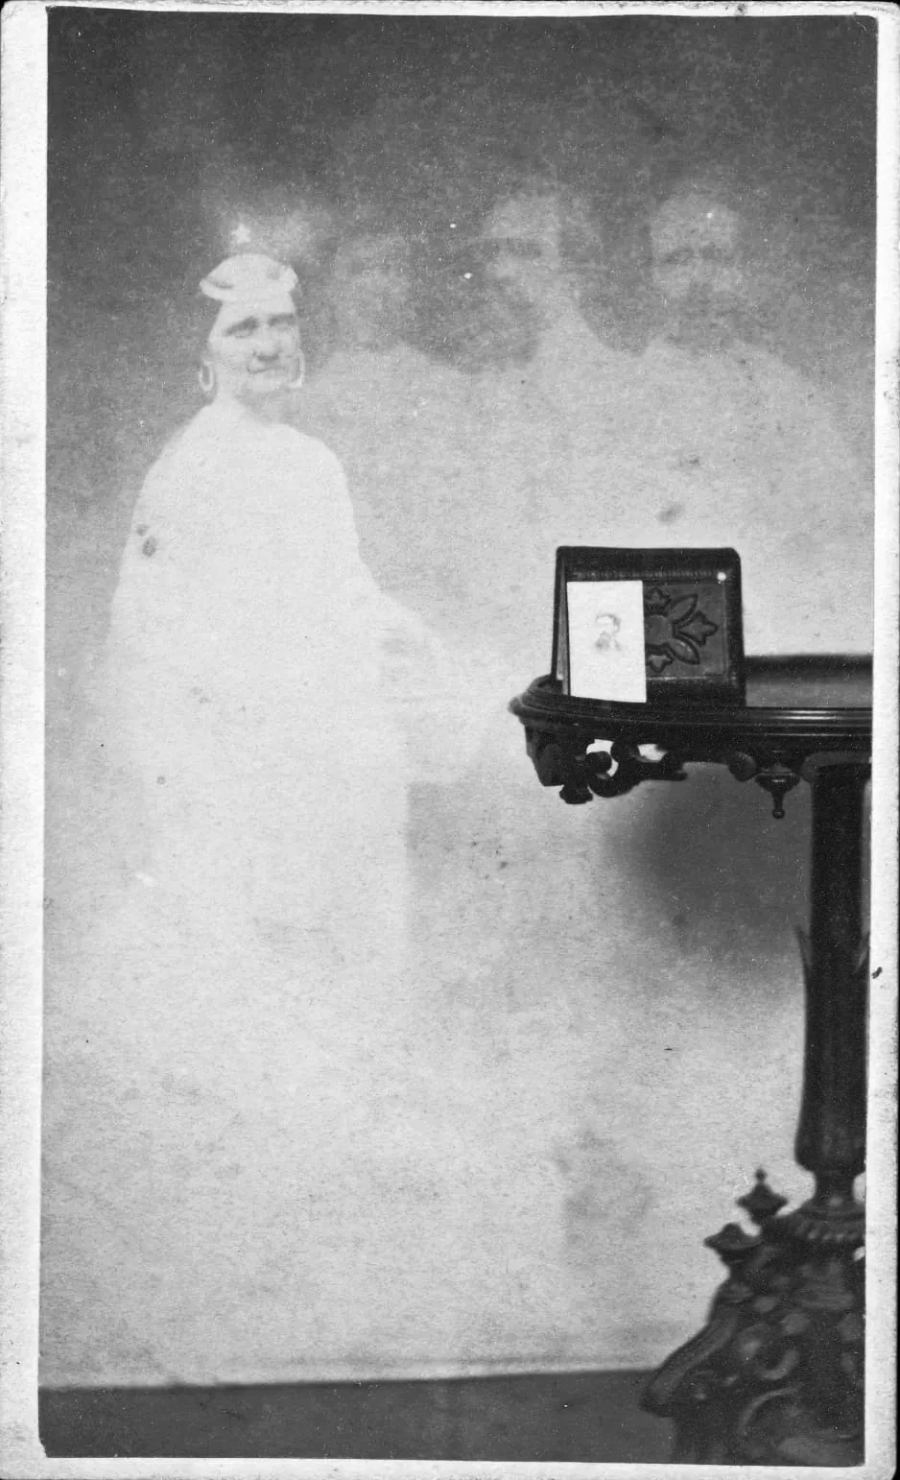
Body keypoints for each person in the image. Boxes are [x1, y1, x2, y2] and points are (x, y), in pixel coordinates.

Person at [40, 253, 456, 1385]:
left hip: (336, 767)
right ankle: (247, 1295)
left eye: (282, 323)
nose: (271, 345)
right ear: (204, 358)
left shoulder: (311, 461)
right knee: (252, 1008)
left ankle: (342, 1283)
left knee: (350, 985)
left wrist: (403, 633)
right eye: (245, 333)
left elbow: (344, 587)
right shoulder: (192, 471)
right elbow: (151, 637)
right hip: (245, 776)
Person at [624, 178, 873, 655]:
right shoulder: (620, 393)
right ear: (652, 277)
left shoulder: (790, 390)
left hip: (786, 618)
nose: (699, 278)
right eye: (677, 260)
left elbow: (847, 519)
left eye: (716, 257)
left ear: (741, 271)